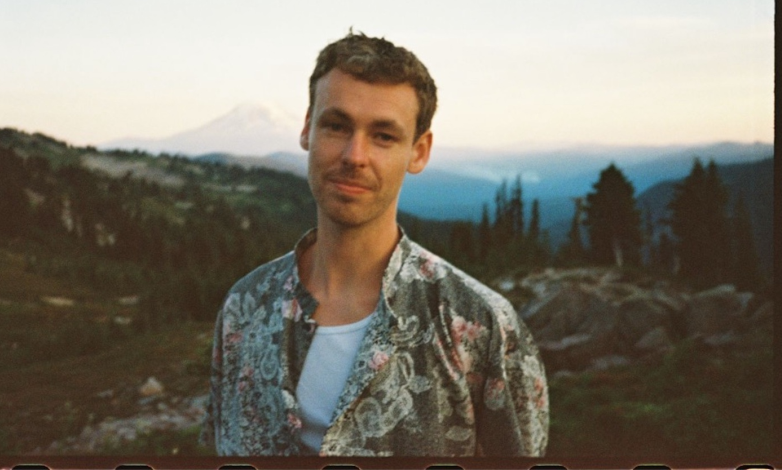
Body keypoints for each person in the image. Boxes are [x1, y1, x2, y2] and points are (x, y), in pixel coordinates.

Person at [201, 31, 549, 457]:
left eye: (383, 135)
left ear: (419, 151)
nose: (354, 155)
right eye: (336, 126)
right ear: (308, 129)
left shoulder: (480, 326)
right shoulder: (245, 306)